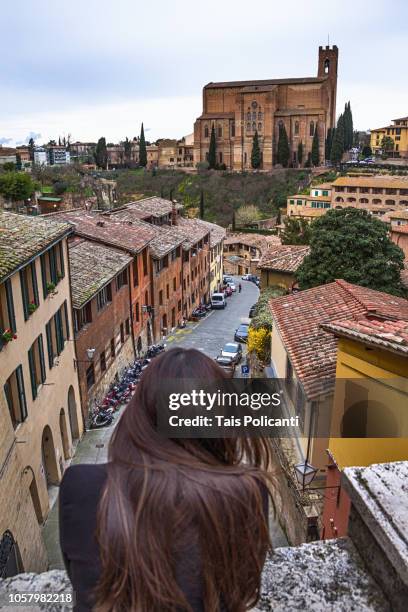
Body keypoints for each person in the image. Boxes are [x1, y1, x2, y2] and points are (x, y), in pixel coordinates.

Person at [59, 348, 273, 612]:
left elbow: (80, 578)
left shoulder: (80, 487)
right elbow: (242, 585)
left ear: (140, 411)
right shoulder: (249, 493)